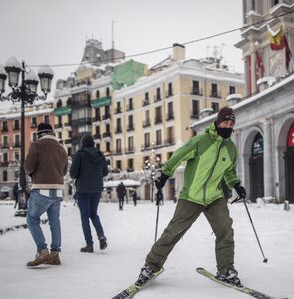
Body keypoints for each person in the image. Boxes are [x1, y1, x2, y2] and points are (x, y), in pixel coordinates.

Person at [134, 107, 246, 287]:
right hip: (191, 197)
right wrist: (165, 173)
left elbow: (230, 172)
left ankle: (226, 270)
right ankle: (151, 266)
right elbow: (180, 154)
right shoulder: (201, 141)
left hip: (215, 197)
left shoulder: (231, 148)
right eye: (225, 122)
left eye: (231, 123)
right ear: (218, 122)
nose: (228, 125)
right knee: (173, 232)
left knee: (225, 231)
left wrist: (236, 185)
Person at [24, 123, 68, 267]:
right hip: (58, 190)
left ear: (39, 134)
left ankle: (42, 251)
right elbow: (65, 170)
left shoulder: (37, 145)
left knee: (32, 219)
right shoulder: (62, 149)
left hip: (41, 189)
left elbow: (29, 166)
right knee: (55, 220)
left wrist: (33, 173)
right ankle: (55, 254)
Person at [70, 134, 109, 253]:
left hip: (83, 189)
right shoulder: (100, 155)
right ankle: (101, 235)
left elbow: (73, 174)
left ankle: (89, 245)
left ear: (83, 144)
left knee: (85, 217)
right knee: (94, 214)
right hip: (97, 189)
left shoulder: (80, 155)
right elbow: (105, 172)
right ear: (93, 144)